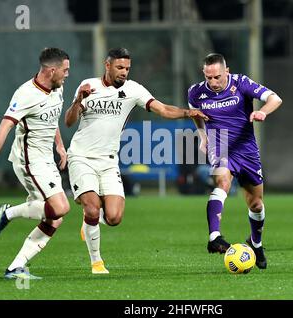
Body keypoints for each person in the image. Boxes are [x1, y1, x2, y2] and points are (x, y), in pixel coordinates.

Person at [64, 47, 208, 274]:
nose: (124, 72)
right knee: (92, 209)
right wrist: (78, 100)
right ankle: (97, 262)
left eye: (127, 68)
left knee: (113, 217)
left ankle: (90, 221)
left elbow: (162, 109)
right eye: (120, 67)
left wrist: (187, 113)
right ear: (107, 65)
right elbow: (69, 121)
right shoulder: (89, 86)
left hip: (109, 161)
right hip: (81, 157)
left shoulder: (133, 89)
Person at [0, 48, 71, 279]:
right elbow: (4, 127)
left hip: (46, 158)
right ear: (51, 70)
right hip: (29, 160)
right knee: (60, 208)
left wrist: (59, 145)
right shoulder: (26, 94)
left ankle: (15, 268)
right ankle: (8, 213)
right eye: (65, 70)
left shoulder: (57, 88)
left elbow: (52, 116)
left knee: (54, 220)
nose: (68, 74)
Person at [188, 53, 282, 269]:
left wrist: (262, 112)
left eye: (217, 77)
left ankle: (256, 244)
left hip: (247, 150)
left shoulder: (241, 83)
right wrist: (203, 137)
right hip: (219, 145)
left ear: (227, 71)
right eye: (208, 78)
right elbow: (196, 114)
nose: (212, 82)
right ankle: (214, 237)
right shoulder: (195, 92)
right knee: (222, 182)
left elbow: (275, 98)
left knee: (256, 204)